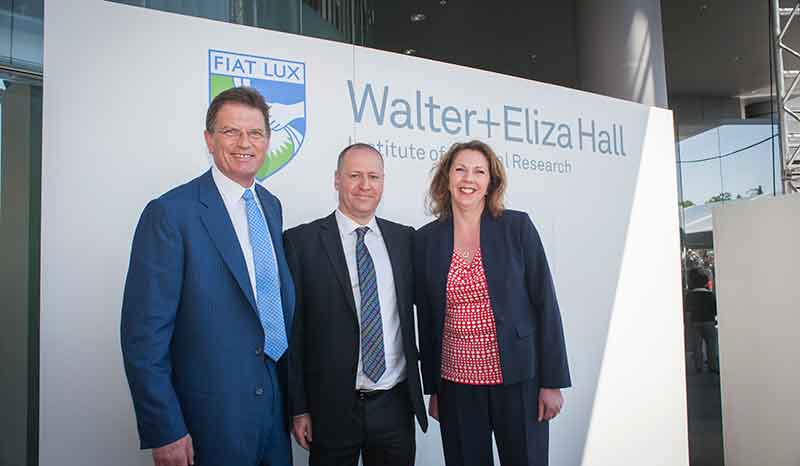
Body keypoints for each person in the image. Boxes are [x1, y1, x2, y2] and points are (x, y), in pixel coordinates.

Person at [120, 87, 295, 466]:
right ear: (209, 140)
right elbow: (143, 336)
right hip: (208, 422)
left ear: (267, 141)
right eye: (231, 132)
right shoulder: (171, 214)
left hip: (273, 414)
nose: (244, 143)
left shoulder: (271, 206)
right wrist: (165, 428)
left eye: (256, 133)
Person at [414, 140, 571, 466]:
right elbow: (427, 318)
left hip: (519, 380)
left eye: (478, 171)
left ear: (490, 182)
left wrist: (552, 382)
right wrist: (434, 388)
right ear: (446, 178)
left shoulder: (517, 227)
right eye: (460, 169)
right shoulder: (426, 239)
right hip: (456, 385)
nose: (468, 178)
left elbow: (546, 304)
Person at [284, 143, 428, 466]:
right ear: (337, 180)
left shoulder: (405, 240)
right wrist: (299, 406)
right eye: (355, 175)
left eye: (373, 176)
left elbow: (429, 313)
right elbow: (294, 334)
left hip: (394, 405)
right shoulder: (301, 243)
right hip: (331, 407)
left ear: (383, 182)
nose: (365, 185)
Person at [684, 267, 718, 373]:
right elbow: (715, 310)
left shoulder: (689, 296)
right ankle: (712, 365)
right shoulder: (710, 295)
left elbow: (688, 312)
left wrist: (687, 324)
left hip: (695, 322)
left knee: (696, 345)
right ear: (705, 284)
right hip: (709, 322)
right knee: (711, 344)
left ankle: (698, 367)